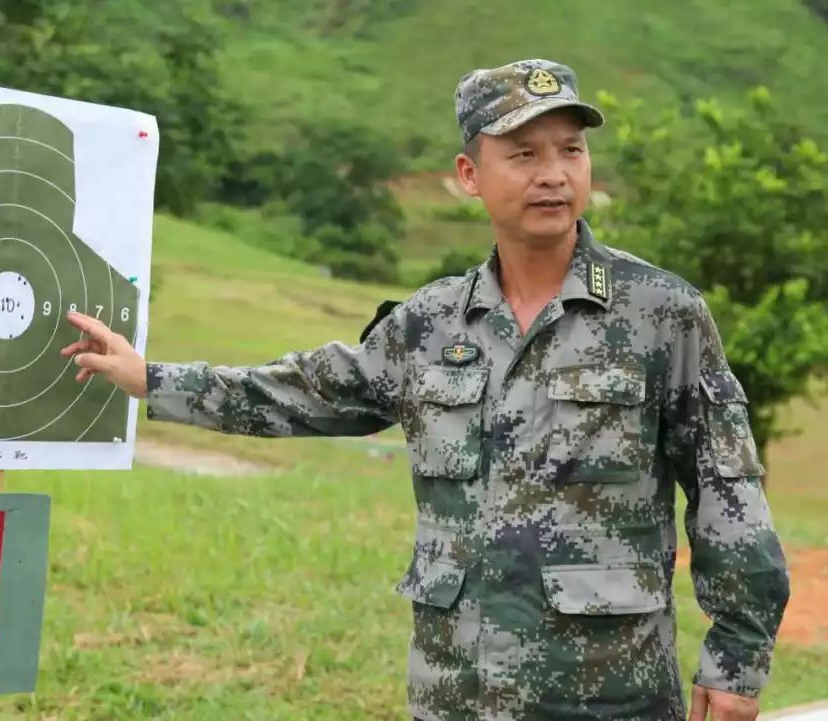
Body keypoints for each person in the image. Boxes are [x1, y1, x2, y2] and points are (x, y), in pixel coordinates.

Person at [60, 58, 789, 721]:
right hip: (455, 692)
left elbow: (728, 489)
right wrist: (150, 379)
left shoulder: (661, 313)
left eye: (571, 150)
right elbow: (303, 391)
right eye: (525, 154)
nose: (554, 174)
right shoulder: (430, 323)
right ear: (470, 174)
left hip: (607, 696)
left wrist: (737, 662)